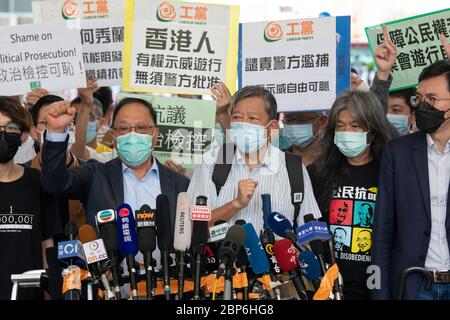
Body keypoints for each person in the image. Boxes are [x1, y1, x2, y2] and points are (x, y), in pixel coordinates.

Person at [187, 86, 321, 233]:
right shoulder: (210, 162)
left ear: (272, 127)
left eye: (252, 118)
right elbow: (191, 228)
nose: (243, 123)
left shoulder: (293, 168)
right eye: (237, 117)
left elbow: (312, 234)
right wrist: (236, 204)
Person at [40, 97, 190, 229]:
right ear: (114, 136)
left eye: (141, 128)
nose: (133, 135)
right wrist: (56, 133)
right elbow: (55, 183)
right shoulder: (96, 175)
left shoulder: (180, 184)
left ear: (155, 135)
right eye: (124, 128)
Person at [372, 59, 450, 300]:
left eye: (433, 99)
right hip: (413, 284)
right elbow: (382, 229)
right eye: (420, 98)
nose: (423, 106)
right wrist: (379, 292)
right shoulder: (398, 153)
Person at [309, 90, 397, 300]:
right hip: (331, 285)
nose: (347, 131)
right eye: (340, 125)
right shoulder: (317, 172)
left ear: (372, 130)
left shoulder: (391, 172)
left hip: (376, 283)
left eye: (355, 126)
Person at [0, 97, 60, 299]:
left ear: (23, 135)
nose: (2, 134)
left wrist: (52, 290)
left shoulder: (38, 182)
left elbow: (47, 243)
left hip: (31, 293)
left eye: (10, 128)